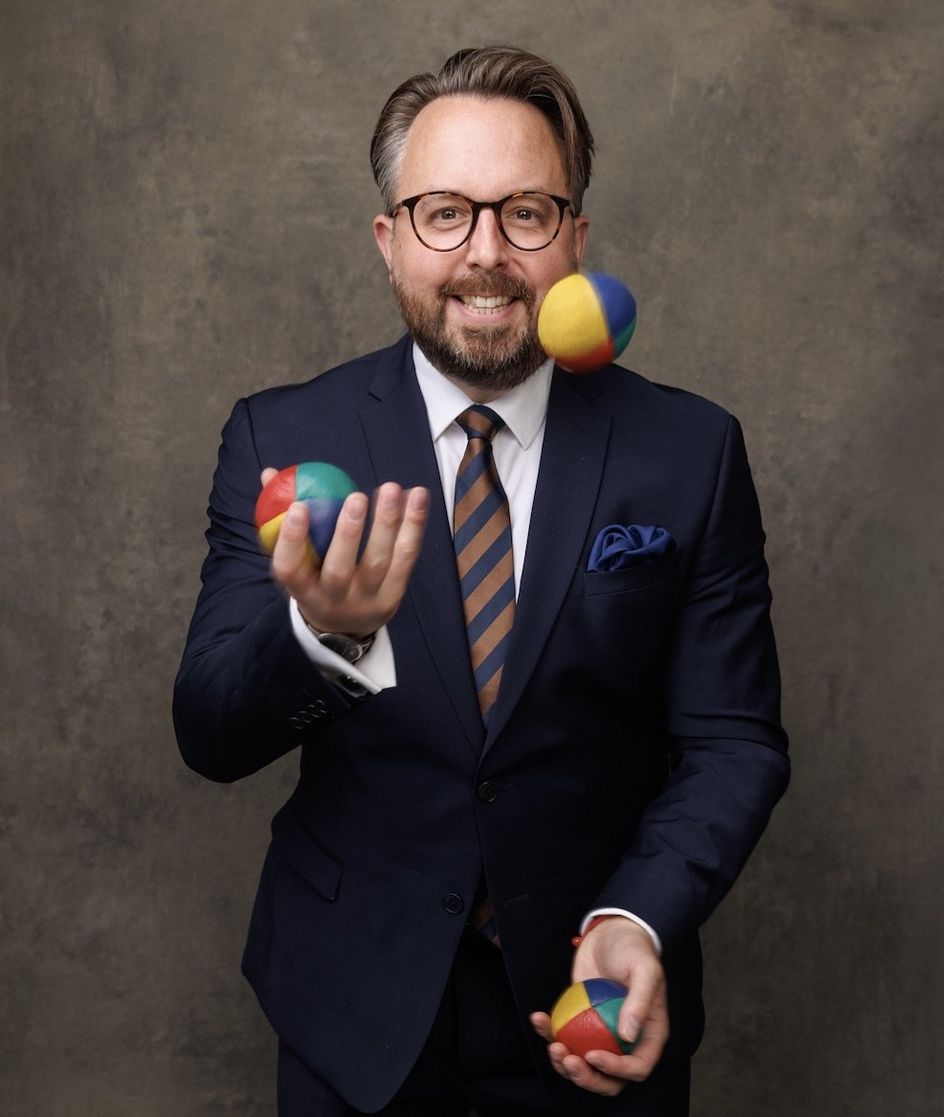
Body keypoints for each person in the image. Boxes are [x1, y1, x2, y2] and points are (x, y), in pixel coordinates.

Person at [174, 45, 790, 1116]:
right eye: (444, 213)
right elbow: (211, 733)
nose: (486, 255)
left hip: (588, 1003)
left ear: (576, 238)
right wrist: (321, 635)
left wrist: (633, 920)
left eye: (527, 213)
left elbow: (731, 741)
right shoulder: (282, 438)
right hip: (350, 1009)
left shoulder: (686, 452)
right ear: (390, 239)